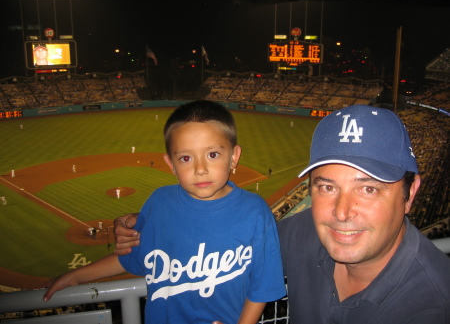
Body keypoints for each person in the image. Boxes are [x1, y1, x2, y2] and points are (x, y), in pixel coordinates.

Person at [114, 104, 450, 323]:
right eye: (327, 187)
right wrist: (146, 224)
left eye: (368, 188)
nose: (342, 213)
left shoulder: (430, 305)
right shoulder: (303, 232)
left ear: (410, 194)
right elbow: (231, 240)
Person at [43, 100, 286, 324]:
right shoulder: (158, 202)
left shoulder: (254, 211)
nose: (200, 169)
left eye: (213, 155)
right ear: (170, 164)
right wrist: (76, 277)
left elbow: (262, 286)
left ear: (234, 157)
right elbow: (134, 256)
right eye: (186, 158)